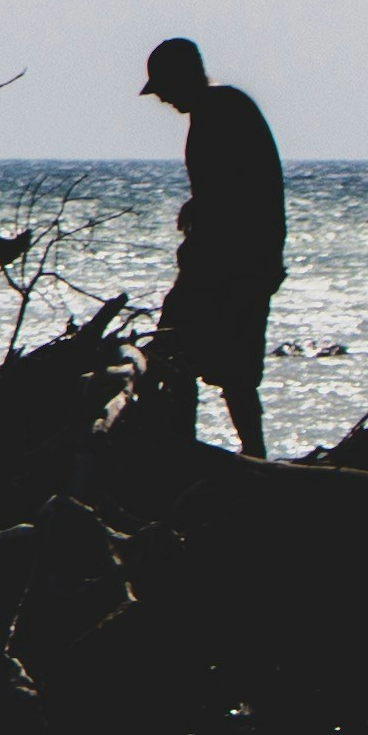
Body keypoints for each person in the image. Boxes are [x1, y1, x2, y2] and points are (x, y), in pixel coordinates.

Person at [141, 36, 285, 458]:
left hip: (234, 265)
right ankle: (200, 448)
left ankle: (218, 454)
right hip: (239, 262)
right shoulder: (219, 110)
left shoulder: (221, 111)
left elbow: (238, 193)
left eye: (164, 87)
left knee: (187, 357)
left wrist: (204, 218)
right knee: (195, 361)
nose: (163, 99)